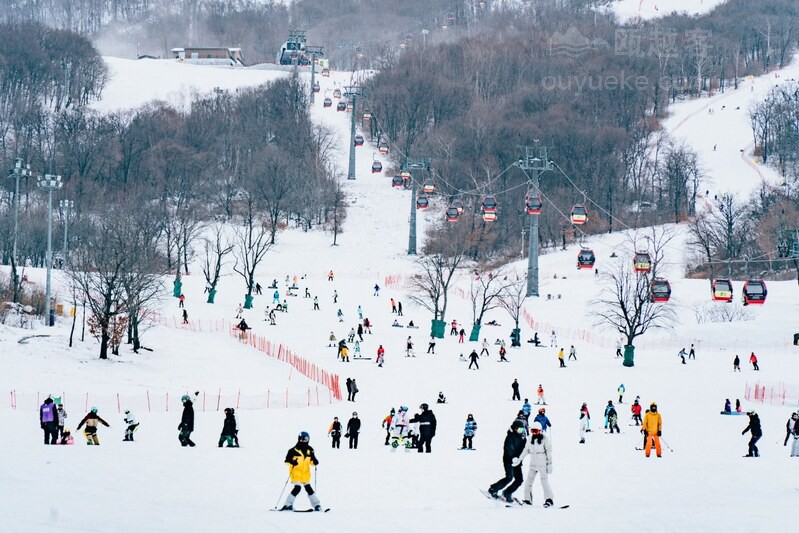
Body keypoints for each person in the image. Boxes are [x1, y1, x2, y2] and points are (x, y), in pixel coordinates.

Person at [279, 432, 322, 512]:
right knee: (297, 488)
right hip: (296, 473)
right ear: (299, 439)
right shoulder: (292, 450)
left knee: (309, 488)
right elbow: (286, 461)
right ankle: (288, 504)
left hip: (305, 473)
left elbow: (311, 461)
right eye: (303, 439)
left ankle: (317, 505)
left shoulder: (310, 450)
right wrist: (292, 462)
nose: (304, 441)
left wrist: (315, 462)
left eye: (306, 439)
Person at [515, 421, 554, 507]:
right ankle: (527, 499)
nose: (534, 433)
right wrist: (519, 459)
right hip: (533, 464)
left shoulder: (545, 439)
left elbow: (549, 452)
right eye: (532, 431)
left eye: (535, 431)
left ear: (540, 431)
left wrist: (549, 463)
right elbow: (526, 450)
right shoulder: (530, 438)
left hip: (542, 463)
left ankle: (549, 499)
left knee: (544, 481)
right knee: (528, 482)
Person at [487, 419, 528, 502]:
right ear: (515, 428)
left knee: (519, 479)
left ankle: (507, 493)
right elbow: (508, 449)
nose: (521, 431)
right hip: (509, 460)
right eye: (520, 429)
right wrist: (513, 458)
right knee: (509, 477)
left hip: (517, 462)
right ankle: (493, 489)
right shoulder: (510, 436)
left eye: (522, 429)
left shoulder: (522, 437)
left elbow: (524, 447)